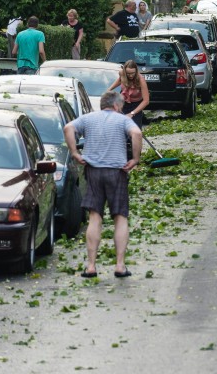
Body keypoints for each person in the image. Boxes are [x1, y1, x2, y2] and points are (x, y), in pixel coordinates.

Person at [63, 91, 142, 279]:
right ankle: (120, 266)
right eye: (121, 107)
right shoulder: (122, 120)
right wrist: (136, 159)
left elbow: (68, 128)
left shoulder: (88, 118)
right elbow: (137, 133)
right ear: (116, 106)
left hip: (93, 172)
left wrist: (74, 152)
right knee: (120, 217)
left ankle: (91, 266)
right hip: (117, 172)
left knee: (94, 216)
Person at [107, 59, 150, 129]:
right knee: (121, 128)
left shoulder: (141, 80)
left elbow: (146, 101)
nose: (130, 76)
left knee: (134, 129)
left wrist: (132, 113)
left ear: (136, 71)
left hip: (136, 106)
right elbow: (120, 80)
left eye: (133, 73)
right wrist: (109, 89)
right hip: (123, 103)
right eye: (128, 73)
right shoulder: (122, 73)